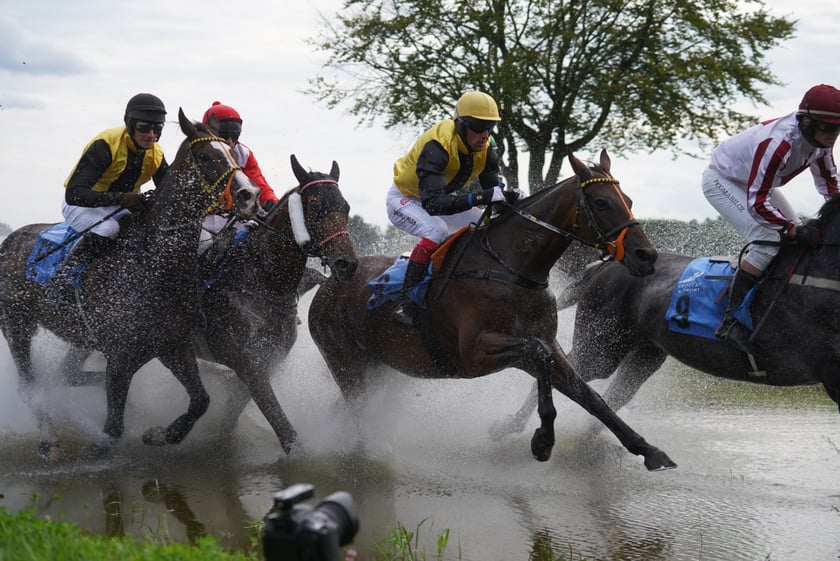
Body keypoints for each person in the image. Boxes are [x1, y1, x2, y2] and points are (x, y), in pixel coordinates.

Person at [702, 83, 840, 352]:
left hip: (752, 184)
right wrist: (791, 228)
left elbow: (829, 187)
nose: (833, 135)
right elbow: (757, 203)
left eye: (838, 128)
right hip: (722, 180)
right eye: (828, 128)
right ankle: (730, 320)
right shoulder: (779, 143)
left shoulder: (819, 142)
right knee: (767, 239)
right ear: (806, 121)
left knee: (797, 238)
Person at [386, 90, 518, 327]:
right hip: (405, 200)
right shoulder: (438, 145)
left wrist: (507, 198)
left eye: (489, 128)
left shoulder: (486, 146)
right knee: (435, 229)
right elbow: (434, 205)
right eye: (478, 127)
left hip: (438, 199)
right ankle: (406, 301)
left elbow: (492, 190)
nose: (484, 135)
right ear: (460, 124)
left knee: (485, 222)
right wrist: (482, 196)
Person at [60, 92, 169, 269]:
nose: (151, 135)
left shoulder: (156, 154)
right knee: (108, 229)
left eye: (157, 128)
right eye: (144, 127)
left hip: (119, 206)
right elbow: (74, 194)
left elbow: (168, 191)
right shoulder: (106, 145)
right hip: (81, 205)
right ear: (130, 124)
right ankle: (64, 276)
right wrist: (121, 199)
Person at [199, 101, 280, 252]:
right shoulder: (199, 153)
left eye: (234, 135)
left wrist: (271, 202)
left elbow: (259, 183)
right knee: (206, 247)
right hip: (203, 218)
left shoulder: (244, 154)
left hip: (233, 217)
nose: (230, 141)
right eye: (223, 136)